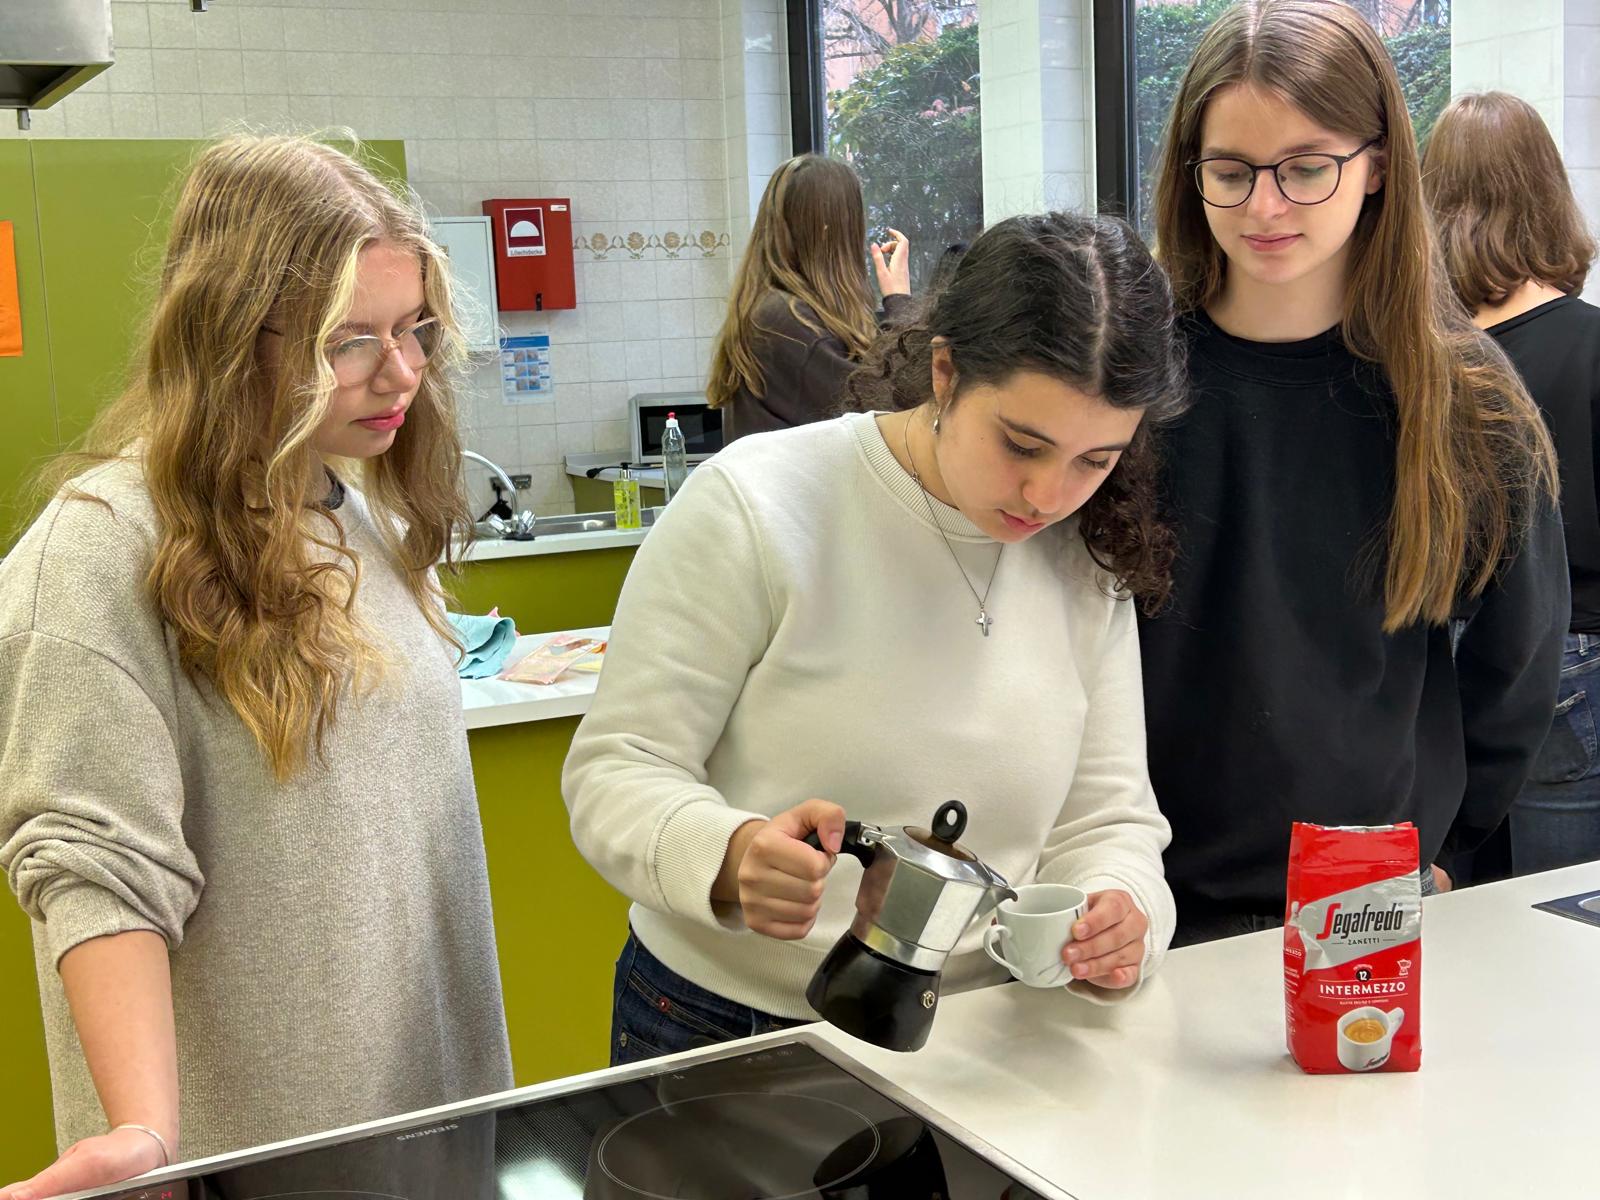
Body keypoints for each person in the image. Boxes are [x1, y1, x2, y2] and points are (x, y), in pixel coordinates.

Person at [0, 134, 511, 1199]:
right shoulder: (100, 546)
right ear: (232, 336)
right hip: (253, 1154)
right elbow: (93, 864)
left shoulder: (353, 515)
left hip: (429, 1119)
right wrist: (144, 1129)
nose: (402, 372)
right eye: (348, 341)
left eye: (414, 329)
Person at [564, 212, 1186, 1066]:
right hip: (725, 1025)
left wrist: (1122, 910)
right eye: (1021, 444)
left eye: (1095, 460)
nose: (1048, 496)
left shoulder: (1085, 556)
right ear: (944, 371)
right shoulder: (758, 503)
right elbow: (616, 769)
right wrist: (730, 856)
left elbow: (1109, 818)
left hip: (984, 1035)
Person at [1138, 0, 1567, 947]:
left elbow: (1522, 645)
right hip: (1141, 895)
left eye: (1305, 168)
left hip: (1372, 897)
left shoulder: (1459, 392)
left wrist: (1453, 843)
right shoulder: (1127, 373)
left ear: (1376, 165)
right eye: (1230, 172)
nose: (1265, 207)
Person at [1423, 91, 1600, 877]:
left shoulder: (1416, 360)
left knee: (1458, 906)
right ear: (1549, 194)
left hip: (1437, 662)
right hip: (1572, 660)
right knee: (1563, 922)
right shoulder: (1592, 345)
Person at [706, 154, 913, 440]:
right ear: (833, 229)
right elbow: (887, 411)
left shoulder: (774, 311)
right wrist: (899, 300)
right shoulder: (788, 322)